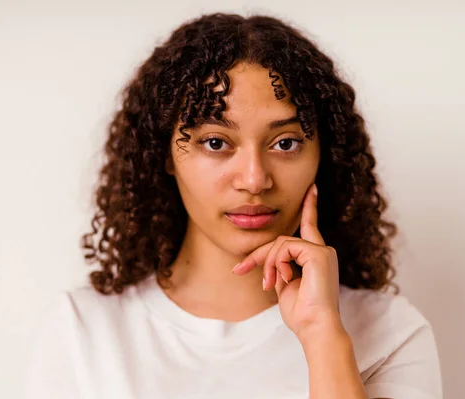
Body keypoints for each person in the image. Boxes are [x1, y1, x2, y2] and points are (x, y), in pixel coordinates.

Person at [23, 12, 442, 399]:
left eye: (285, 143)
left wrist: (322, 335)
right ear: (166, 154)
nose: (255, 179)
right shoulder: (83, 333)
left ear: (322, 155)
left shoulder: (391, 333)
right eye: (216, 142)